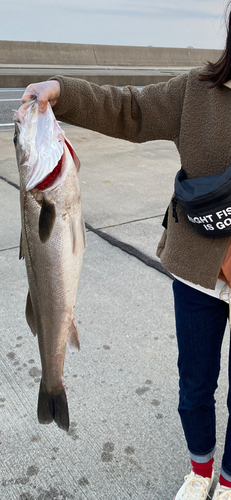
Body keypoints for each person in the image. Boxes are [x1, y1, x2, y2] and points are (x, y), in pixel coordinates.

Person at [21, 7, 231, 500]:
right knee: (195, 386)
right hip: (199, 273)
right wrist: (60, 91)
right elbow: (129, 109)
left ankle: (227, 482)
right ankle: (201, 471)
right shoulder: (196, 91)